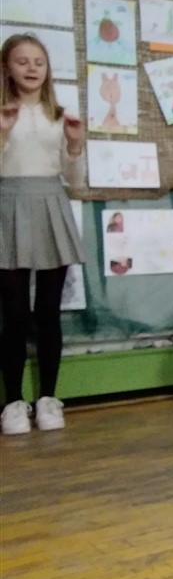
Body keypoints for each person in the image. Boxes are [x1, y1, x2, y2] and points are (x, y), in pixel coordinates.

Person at [0, 34, 85, 435]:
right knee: (14, 314)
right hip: (7, 206)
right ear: (7, 67)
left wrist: (75, 147)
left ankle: (49, 398)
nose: (32, 68)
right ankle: (13, 402)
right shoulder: (2, 111)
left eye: (39, 61)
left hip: (52, 204)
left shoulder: (60, 115)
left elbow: (74, 180)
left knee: (48, 312)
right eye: (22, 61)